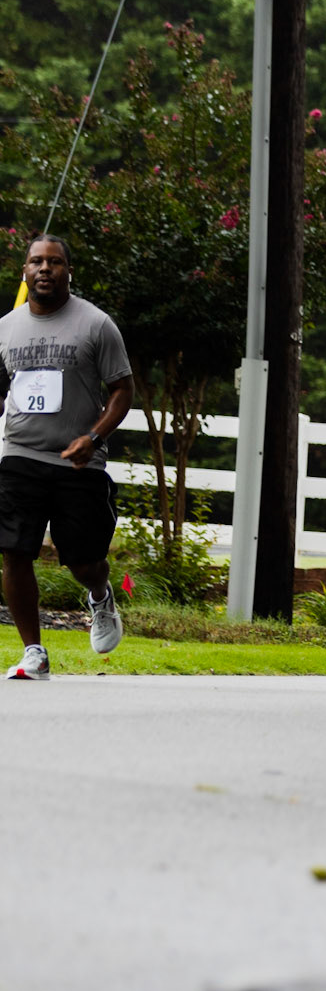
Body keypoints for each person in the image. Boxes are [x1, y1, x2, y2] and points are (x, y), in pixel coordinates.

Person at [0, 234, 134, 680]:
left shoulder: (96, 325)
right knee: (14, 552)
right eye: (36, 261)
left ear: (68, 271)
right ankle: (33, 652)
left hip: (78, 461)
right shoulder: (6, 328)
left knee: (83, 562)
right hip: (20, 455)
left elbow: (122, 389)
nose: (45, 269)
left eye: (54, 262)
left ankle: (100, 594)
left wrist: (93, 438)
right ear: (24, 271)